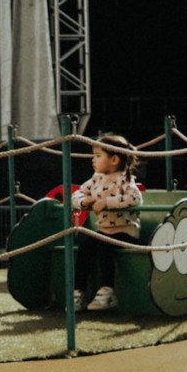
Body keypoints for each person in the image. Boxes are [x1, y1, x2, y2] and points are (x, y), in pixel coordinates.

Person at [71, 133, 143, 312]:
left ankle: (107, 292)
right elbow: (76, 194)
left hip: (125, 233)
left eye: (98, 156)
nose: (93, 160)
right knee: (85, 247)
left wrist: (107, 203)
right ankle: (78, 292)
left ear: (114, 160)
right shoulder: (96, 179)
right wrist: (83, 202)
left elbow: (135, 199)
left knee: (105, 246)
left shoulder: (125, 180)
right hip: (104, 231)